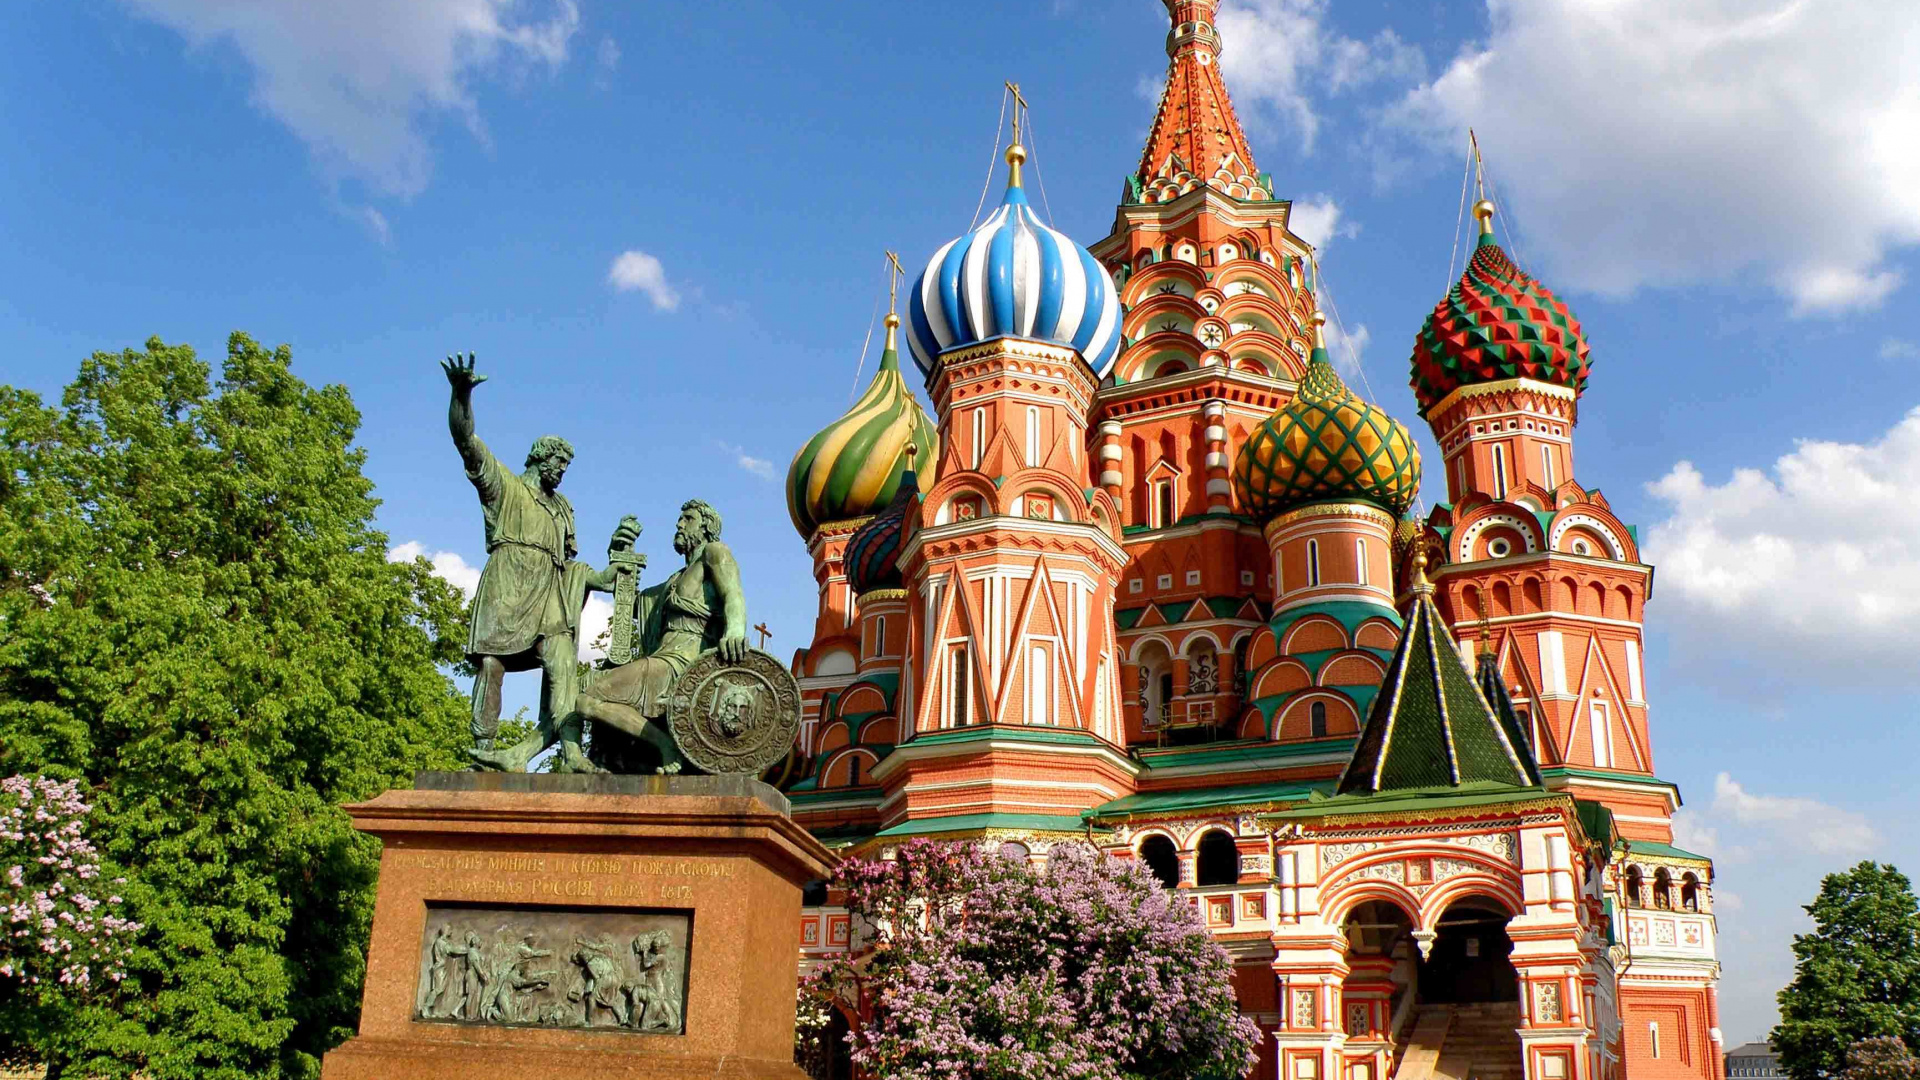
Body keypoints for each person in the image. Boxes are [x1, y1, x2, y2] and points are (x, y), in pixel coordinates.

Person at [440, 353, 638, 773]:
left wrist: (608, 575)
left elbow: (571, 569)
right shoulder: (505, 487)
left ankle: (570, 751)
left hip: (549, 595)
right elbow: (466, 442)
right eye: (558, 462)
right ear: (537, 458)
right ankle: (483, 748)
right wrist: (461, 394)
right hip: (507, 584)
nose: (562, 470)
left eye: (567, 465)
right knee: (492, 665)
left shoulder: (563, 508)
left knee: (563, 661)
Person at [576, 499, 747, 773]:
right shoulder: (673, 581)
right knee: (586, 695)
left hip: (682, 664)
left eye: (687, 519)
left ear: (706, 527)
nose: (679, 524)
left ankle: (666, 746)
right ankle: (653, 749)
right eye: (680, 519)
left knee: (587, 699)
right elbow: (631, 605)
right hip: (660, 660)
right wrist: (619, 558)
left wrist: (735, 629)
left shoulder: (714, 553)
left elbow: (733, 594)